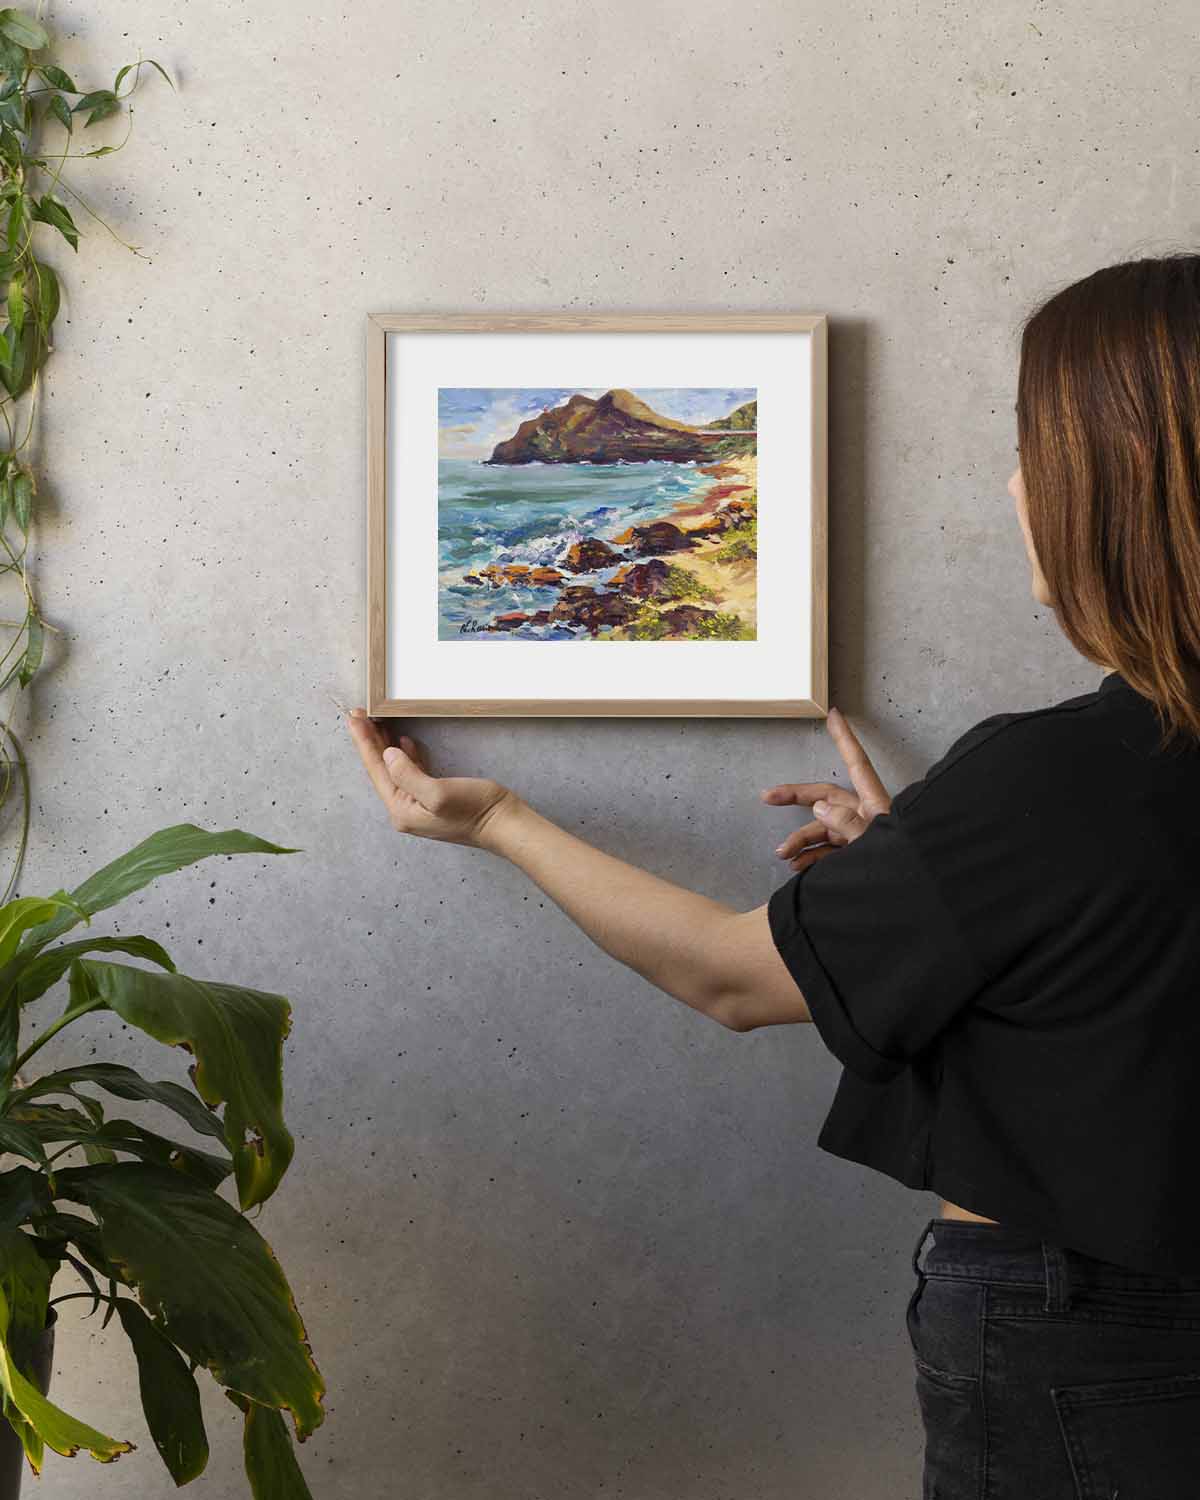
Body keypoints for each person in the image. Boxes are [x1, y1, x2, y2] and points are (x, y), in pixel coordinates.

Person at [347, 253, 1200, 1497]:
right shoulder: (1073, 797)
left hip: (1087, 1336)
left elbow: (732, 977)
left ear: (1118, 482)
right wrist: (930, 874)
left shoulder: (1055, 779)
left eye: (1032, 445)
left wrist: (499, 821)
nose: (1014, 483)